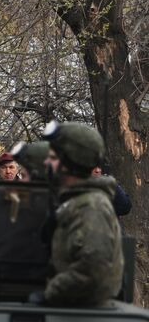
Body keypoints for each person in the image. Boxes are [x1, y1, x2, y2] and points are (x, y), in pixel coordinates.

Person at [40, 122, 123, 307]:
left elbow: (92, 272)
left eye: (53, 158)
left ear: (69, 163)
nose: (46, 162)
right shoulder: (76, 202)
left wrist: (51, 292)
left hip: (83, 318)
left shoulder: (91, 207)